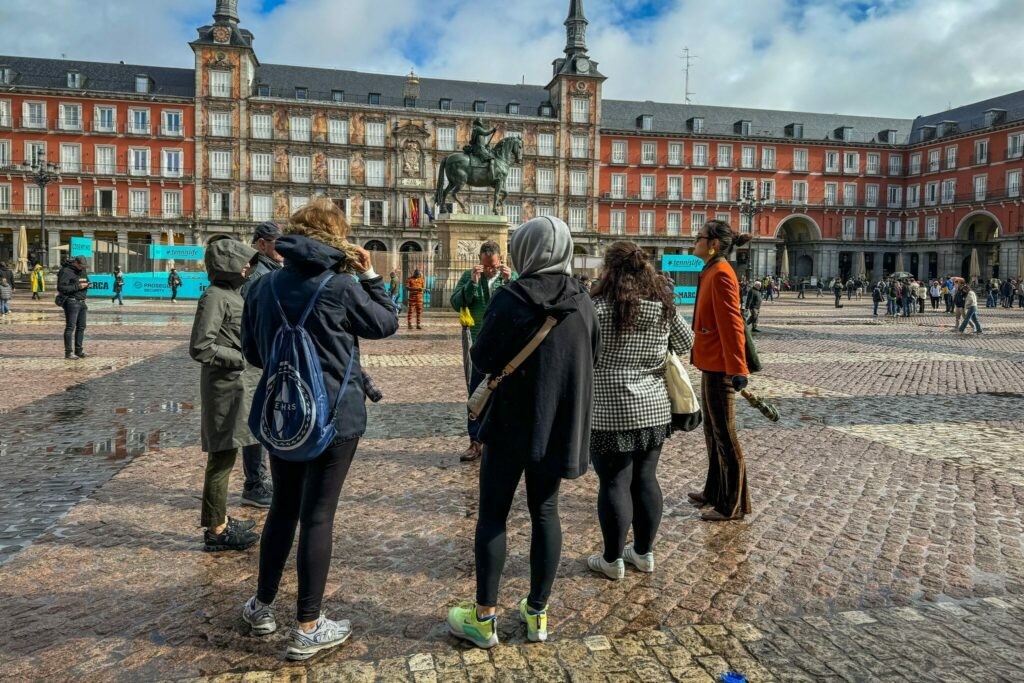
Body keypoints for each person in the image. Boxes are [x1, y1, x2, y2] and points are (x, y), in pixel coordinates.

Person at [240, 197, 398, 661]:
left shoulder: (262, 288)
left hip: (285, 414)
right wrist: (370, 275)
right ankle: (308, 625)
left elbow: (252, 353)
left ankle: (262, 607)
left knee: (283, 509)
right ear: (337, 239)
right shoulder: (342, 285)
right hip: (337, 417)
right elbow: (386, 323)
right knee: (318, 515)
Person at [446, 215, 598, 649]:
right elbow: (594, 355)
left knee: (493, 514)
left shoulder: (513, 297)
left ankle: (484, 618)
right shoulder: (582, 301)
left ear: (525, 251)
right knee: (545, 514)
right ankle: (537, 614)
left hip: (511, 426)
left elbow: (484, 355)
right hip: (558, 427)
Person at [586, 241, 692, 581]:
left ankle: (612, 559)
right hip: (653, 407)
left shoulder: (598, 307)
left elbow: (581, 350)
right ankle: (644, 554)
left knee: (614, 482)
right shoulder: (662, 306)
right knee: (646, 479)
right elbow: (687, 343)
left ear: (610, 269)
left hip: (607, 409)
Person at [189, 239, 260, 554]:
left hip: (235, 386)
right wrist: (240, 358)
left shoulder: (230, 295)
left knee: (227, 454)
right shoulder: (215, 297)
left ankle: (218, 519)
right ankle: (216, 530)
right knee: (221, 458)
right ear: (227, 266)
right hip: (225, 388)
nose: (247, 266)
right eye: (243, 262)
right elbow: (201, 346)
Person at [687, 220, 752, 522]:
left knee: (726, 436)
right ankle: (714, 491)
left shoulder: (723, 274)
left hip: (721, 367)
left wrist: (738, 368)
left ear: (712, 244)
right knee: (712, 433)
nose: (695, 240)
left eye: (699, 237)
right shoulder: (711, 270)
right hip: (709, 362)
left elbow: (733, 325)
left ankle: (733, 505)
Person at [449, 241, 517, 462]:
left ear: (500, 261)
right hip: (477, 345)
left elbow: (520, 304)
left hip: (505, 347)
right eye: (486, 265)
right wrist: (472, 284)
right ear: (480, 260)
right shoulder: (470, 277)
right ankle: (475, 441)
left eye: (494, 266)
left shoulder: (511, 279)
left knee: (504, 396)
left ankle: (499, 442)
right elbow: (456, 302)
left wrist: (511, 281)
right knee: (476, 395)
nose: (490, 270)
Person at [238, 221, 284, 509]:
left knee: (268, 417)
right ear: (262, 244)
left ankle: (262, 479)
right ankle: (254, 483)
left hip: (268, 355)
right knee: (256, 420)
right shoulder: (258, 275)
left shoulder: (271, 270)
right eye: (276, 242)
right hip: (257, 357)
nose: (281, 247)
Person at [57, 257, 90, 360]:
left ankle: (79, 350)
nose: (82, 268)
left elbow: (86, 280)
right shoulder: (66, 271)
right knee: (70, 327)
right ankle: (68, 352)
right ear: (76, 263)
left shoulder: (82, 270)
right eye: (81, 266)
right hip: (71, 301)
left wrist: (88, 285)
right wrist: (78, 287)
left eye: (84, 267)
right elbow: (61, 288)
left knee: (81, 327)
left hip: (82, 301)